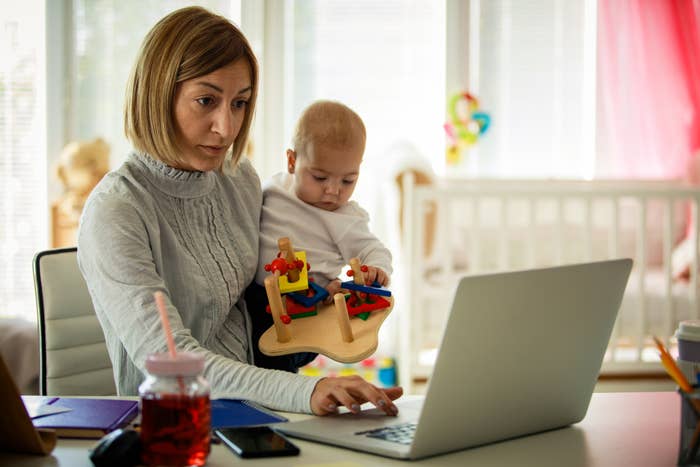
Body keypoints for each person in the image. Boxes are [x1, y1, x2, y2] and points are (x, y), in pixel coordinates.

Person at [77, 6, 401, 416]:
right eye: (206, 100)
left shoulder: (238, 178)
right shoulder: (117, 211)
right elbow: (173, 363)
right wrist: (305, 392)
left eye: (240, 103)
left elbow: (258, 304)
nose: (226, 128)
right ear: (158, 93)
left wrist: (317, 299)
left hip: (262, 408)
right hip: (175, 423)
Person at [254, 101, 393, 300]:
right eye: (320, 178)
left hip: (313, 302)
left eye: (348, 180)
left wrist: (376, 269)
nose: (333, 191)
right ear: (292, 162)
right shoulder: (274, 188)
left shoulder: (344, 218)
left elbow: (373, 249)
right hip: (258, 295)